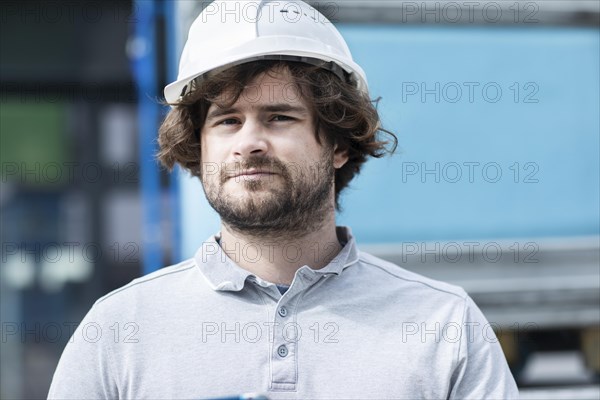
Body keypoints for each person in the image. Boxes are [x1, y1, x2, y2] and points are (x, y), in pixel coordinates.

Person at [48, 1, 519, 399]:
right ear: (199, 145)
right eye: (227, 121)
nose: (249, 142)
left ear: (338, 145)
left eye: (278, 118)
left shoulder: (444, 324)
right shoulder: (117, 330)